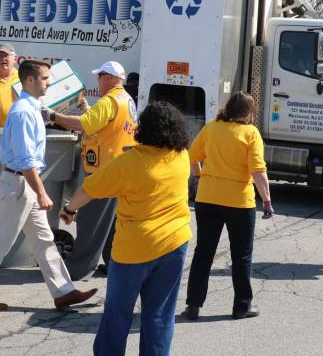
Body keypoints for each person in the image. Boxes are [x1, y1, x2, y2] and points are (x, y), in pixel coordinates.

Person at [0, 59, 97, 312]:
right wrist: (42, 192)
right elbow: (25, 160)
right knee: (0, 241)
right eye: (45, 79)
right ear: (30, 80)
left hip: (22, 185)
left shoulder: (33, 108)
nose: (49, 83)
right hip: (19, 184)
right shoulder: (24, 111)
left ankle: (63, 291)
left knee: (44, 239)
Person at [61, 101, 191, 356]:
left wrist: (69, 210)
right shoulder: (182, 156)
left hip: (134, 249)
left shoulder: (129, 162)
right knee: (160, 315)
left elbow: (88, 190)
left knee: (118, 315)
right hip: (175, 244)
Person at [182, 91, 274, 321]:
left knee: (203, 253)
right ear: (249, 112)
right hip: (239, 202)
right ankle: (242, 306)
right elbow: (257, 171)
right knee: (241, 256)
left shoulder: (212, 127)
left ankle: (193, 304)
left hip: (208, 198)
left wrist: (200, 176)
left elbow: (192, 155)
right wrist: (267, 200)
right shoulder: (250, 133)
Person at [43, 61, 138, 281]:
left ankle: (77, 269)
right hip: (121, 169)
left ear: (107, 78)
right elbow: (104, 125)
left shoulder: (109, 100)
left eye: (99, 77)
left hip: (104, 171)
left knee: (91, 223)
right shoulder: (126, 100)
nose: (98, 82)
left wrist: (53, 116)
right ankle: (115, 265)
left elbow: (86, 125)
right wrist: (85, 107)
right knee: (112, 225)